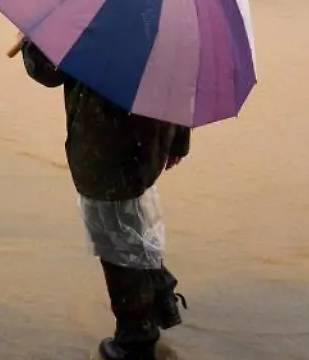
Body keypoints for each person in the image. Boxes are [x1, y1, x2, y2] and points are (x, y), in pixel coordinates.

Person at [20, 38, 191, 360]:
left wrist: (34, 37)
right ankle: (158, 295)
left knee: (117, 245)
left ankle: (135, 340)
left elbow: (47, 72)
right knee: (134, 225)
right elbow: (182, 78)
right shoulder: (170, 15)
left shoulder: (90, 15)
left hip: (104, 147)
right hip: (150, 141)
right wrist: (179, 140)